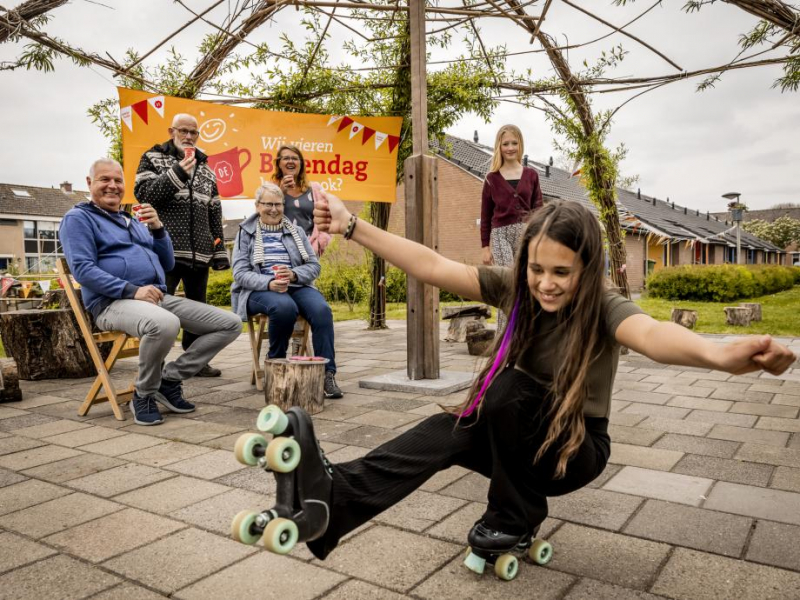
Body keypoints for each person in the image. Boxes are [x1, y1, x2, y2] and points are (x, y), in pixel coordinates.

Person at [261, 192, 795, 562]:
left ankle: (516, 514)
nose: (545, 283)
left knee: (508, 389)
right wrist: (353, 227)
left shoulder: (603, 307)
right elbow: (433, 266)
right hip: (521, 435)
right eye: (537, 270)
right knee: (449, 427)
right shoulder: (517, 288)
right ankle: (335, 499)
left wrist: (719, 354)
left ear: (587, 269)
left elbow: (654, 336)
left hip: (575, 451)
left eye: (561, 272)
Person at [60, 158, 242, 426]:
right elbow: (83, 270)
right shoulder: (78, 219)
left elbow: (167, 263)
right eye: (104, 179)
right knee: (165, 323)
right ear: (90, 183)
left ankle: (169, 379)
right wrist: (132, 290)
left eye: (118, 180)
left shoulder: (131, 220)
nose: (112, 186)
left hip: (156, 298)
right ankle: (143, 394)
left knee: (230, 323)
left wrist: (158, 230)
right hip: (111, 303)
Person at [134, 113, 229, 377]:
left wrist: (218, 250)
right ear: (171, 131)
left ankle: (195, 361)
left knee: (198, 308)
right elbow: (145, 196)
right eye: (183, 131)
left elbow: (214, 210)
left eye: (193, 133)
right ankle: (155, 363)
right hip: (164, 251)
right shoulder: (151, 158)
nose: (188, 137)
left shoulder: (207, 168)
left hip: (200, 251)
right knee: (158, 306)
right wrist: (177, 173)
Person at [231, 182, 343, 399]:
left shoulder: (296, 231)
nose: (274, 209)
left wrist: (293, 274)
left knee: (321, 311)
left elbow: (314, 265)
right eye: (268, 204)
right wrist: (268, 282)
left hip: (296, 285)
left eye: (279, 204)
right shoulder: (245, 233)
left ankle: (326, 374)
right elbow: (240, 273)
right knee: (284, 307)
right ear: (257, 206)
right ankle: (277, 365)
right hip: (259, 290)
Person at [481, 125, 543, 329]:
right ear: (499, 146)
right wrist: (485, 246)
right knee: (508, 284)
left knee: (526, 283)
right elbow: (486, 214)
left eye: (514, 143)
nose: (510, 148)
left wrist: (540, 237)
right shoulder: (491, 179)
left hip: (527, 234)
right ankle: (503, 336)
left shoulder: (531, 175)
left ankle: (525, 332)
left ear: (520, 145)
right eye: (505, 143)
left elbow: (538, 208)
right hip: (500, 236)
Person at [273, 144, 331, 256]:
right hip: (279, 253)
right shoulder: (270, 190)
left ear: (301, 164)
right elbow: (263, 220)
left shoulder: (315, 189)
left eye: (295, 158)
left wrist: (315, 249)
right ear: (279, 164)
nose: (291, 161)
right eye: (286, 158)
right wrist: (280, 194)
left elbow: (326, 221)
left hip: (309, 253)